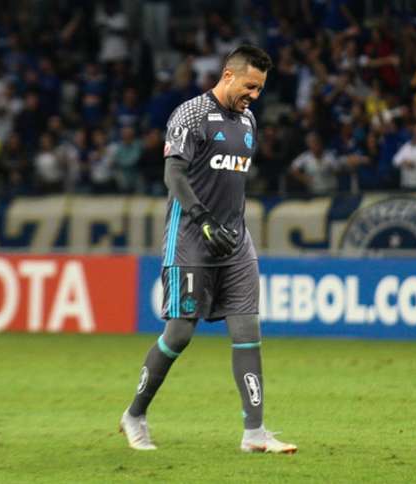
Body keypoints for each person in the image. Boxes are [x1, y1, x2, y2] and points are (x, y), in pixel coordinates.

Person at [120, 45, 297, 454]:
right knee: (180, 332)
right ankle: (135, 414)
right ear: (229, 75)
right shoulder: (190, 115)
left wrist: (228, 225)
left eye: (261, 88)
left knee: (247, 330)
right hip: (190, 240)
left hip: (234, 242)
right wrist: (201, 217)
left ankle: (254, 433)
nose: (255, 94)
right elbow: (173, 174)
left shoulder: (249, 120)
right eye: (250, 85)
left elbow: (231, 182)